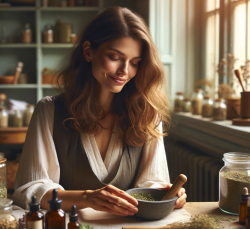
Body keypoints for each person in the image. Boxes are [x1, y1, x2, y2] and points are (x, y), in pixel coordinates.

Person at [13, 6, 187, 216]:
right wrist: (87, 198)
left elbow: (152, 182)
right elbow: (29, 190)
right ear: (88, 51)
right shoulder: (48, 110)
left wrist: (167, 195)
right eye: (115, 57)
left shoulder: (148, 115)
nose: (124, 70)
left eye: (134, 62)